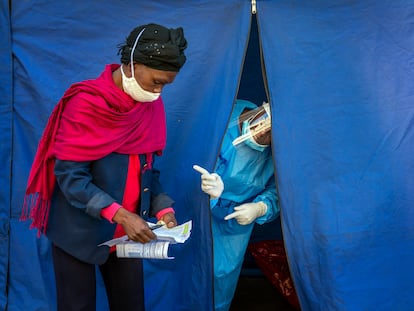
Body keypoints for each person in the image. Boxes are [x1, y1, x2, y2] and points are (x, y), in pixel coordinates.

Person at [21, 23, 187, 311]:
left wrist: (162, 208)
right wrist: (120, 214)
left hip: (125, 235)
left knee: (131, 304)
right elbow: (70, 177)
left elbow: (147, 169)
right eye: (156, 81)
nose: (158, 91)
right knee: (78, 306)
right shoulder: (85, 103)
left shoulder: (149, 105)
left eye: (165, 85)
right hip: (79, 232)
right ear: (133, 65)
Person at [194, 99, 279, 311]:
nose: (262, 134)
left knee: (220, 276)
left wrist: (261, 208)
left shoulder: (278, 155)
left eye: (272, 136)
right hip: (195, 208)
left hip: (236, 219)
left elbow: (279, 189)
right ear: (263, 109)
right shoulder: (224, 112)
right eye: (265, 125)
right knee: (185, 267)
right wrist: (205, 189)